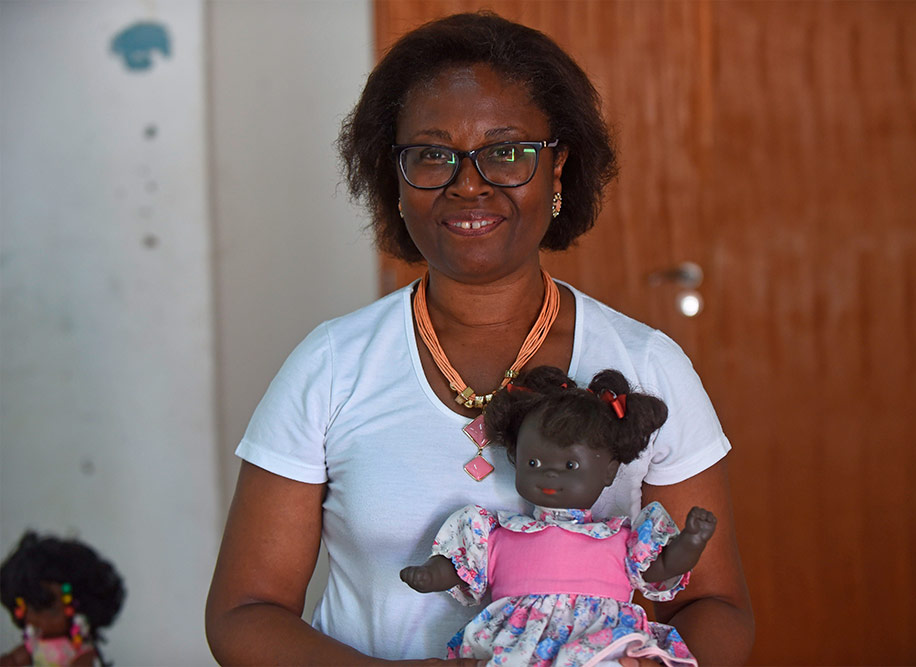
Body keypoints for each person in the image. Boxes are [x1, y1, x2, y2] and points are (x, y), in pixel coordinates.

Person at [205, 10, 753, 665]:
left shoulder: (646, 364)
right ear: (396, 180)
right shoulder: (331, 365)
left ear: (558, 172)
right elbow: (244, 611)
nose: (469, 183)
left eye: (508, 151)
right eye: (433, 154)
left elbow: (715, 604)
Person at [401, 366, 717, 665]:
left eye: (569, 466)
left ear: (609, 472)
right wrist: (433, 574)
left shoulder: (622, 539)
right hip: (517, 648)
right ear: (515, 459)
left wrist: (690, 542)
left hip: (599, 644)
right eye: (534, 464)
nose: (549, 475)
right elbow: (463, 565)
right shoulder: (496, 533)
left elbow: (659, 568)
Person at [0, 531, 125, 667]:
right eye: (30, 609)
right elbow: (13, 660)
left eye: (52, 611)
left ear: (79, 609)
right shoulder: (34, 644)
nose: (38, 619)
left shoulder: (78, 647)